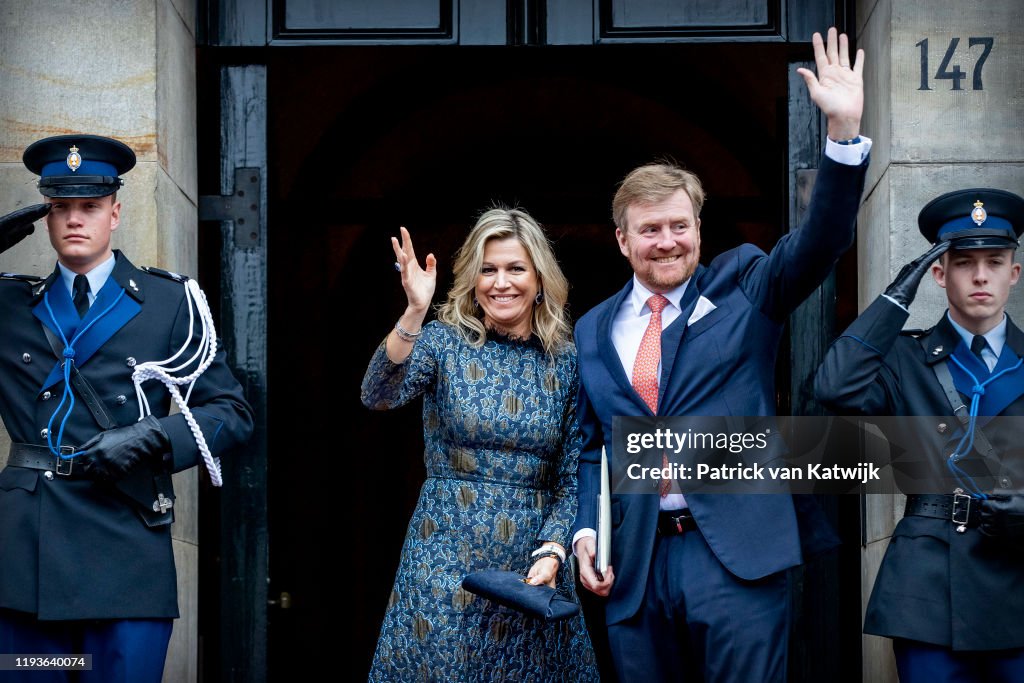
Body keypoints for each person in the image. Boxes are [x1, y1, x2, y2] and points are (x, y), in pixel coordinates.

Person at [571, 27, 870, 682]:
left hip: (733, 552)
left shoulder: (745, 285)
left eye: (681, 225)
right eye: (651, 229)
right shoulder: (592, 330)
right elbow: (593, 445)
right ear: (623, 240)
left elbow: (818, 244)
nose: (668, 241)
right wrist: (585, 532)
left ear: (699, 228)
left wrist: (843, 138)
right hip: (638, 560)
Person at [0, 134, 254, 682]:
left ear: (115, 213)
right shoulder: (9, 304)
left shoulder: (168, 301)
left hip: (125, 553)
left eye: (89, 207)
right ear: (45, 217)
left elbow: (232, 412)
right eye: (61, 208)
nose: (75, 220)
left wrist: (154, 437)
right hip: (25, 558)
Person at [361, 210, 599, 681]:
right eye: (488, 270)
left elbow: (574, 471)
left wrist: (553, 550)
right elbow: (379, 394)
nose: (501, 283)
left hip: (532, 565)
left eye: (515, 269)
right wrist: (413, 311)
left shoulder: (568, 361)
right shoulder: (442, 342)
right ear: (472, 279)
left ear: (539, 279)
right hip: (444, 552)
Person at [815, 188, 1024, 682]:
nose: (979, 276)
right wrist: (895, 298)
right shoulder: (905, 360)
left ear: (1013, 273)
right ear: (938, 273)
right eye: (963, 263)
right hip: (930, 588)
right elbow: (833, 387)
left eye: (994, 262)